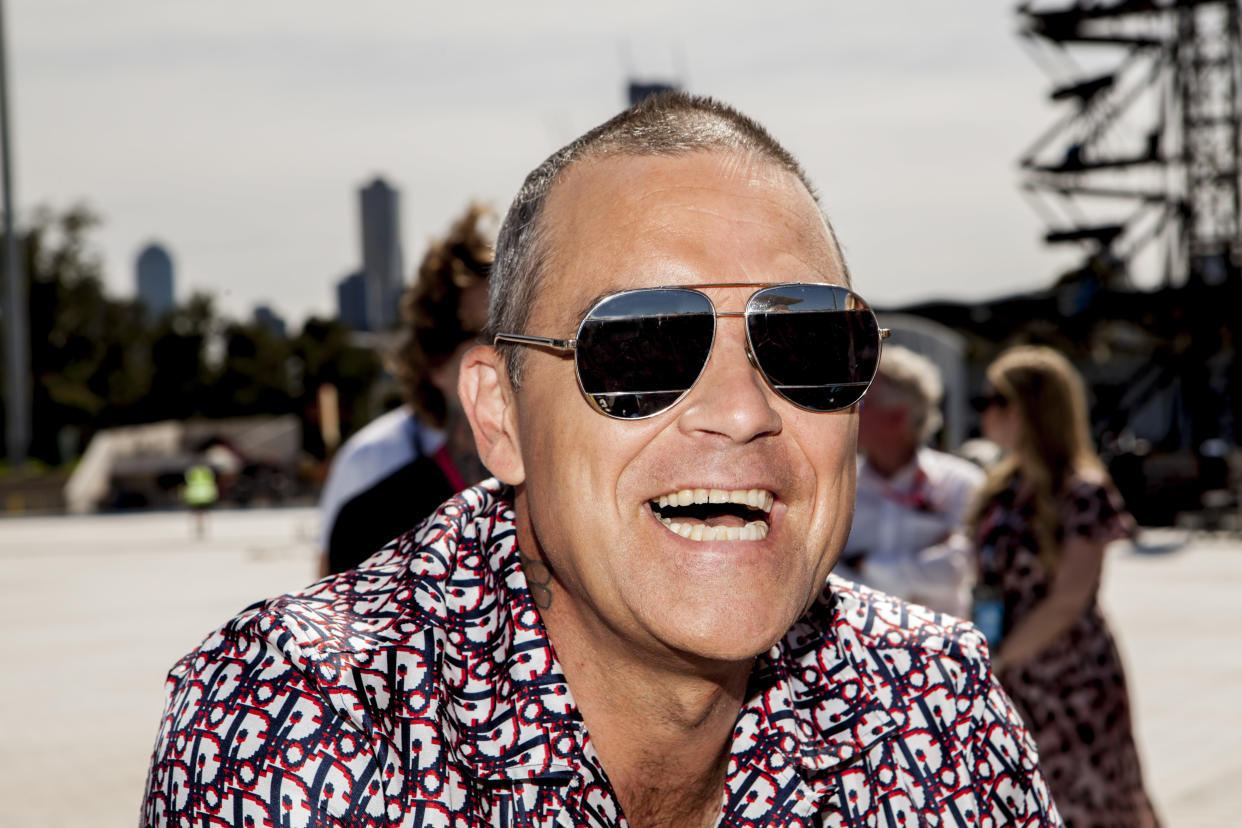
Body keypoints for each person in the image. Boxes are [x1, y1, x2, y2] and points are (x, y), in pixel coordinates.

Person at [141, 94, 1060, 827]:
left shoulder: (936, 707)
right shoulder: (310, 728)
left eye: (810, 346)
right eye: (640, 349)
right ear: (498, 417)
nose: (742, 412)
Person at [971, 345, 1160, 827]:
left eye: (994, 397)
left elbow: (1070, 598)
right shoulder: (1000, 486)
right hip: (1011, 673)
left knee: (1102, 798)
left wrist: (999, 659)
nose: (983, 409)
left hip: (1070, 677)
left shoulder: (1083, 490)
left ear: (1029, 408)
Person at [317, 203, 494, 575]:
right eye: (485, 337)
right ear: (435, 364)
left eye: (524, 331)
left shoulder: (581, 503)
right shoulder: (372, 522)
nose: (508, 353)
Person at [839, 345, 983, 617]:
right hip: (856, 654)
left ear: (899, 416)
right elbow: (823, 573)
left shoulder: (961, 483)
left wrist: (864, 565)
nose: (849, 409)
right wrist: (922, 567)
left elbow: (961, 569)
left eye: (862, 401)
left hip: (940, 652)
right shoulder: (840, 486)